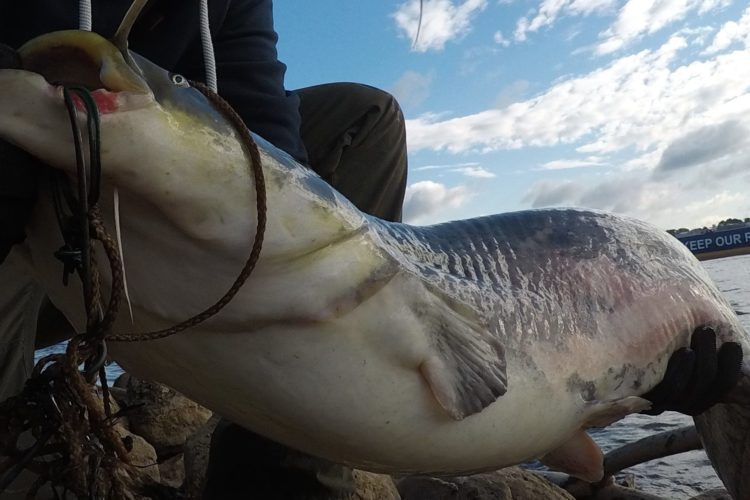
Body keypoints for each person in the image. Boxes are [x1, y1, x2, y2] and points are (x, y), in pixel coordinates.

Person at [0, 0, 742, 498]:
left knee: (365, 116)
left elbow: (264, 128)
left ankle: (280, 467)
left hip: (130, 210)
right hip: (32, 223)